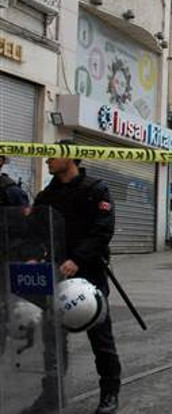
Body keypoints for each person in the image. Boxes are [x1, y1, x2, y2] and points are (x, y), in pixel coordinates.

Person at [31, 140, 122, 414]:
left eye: (52, 156)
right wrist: (32, 254)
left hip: (89, 273)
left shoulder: (96, 190)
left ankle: (110, 394)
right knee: (52, 342)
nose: (47, 160)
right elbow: (35, 230)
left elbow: (103, 230)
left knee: (101, 338)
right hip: (54, 273)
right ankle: (50, 395)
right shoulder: (46, 196)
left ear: (70, 158)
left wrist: (78, 259)